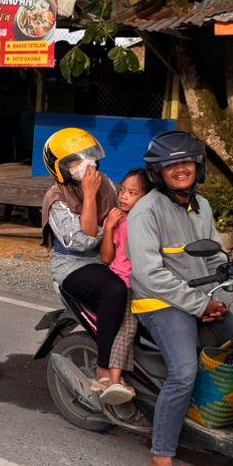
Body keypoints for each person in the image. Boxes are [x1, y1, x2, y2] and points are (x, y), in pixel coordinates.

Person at [127, 131, 233, 466]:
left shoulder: (202, 207)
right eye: (172, 164)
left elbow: (215, 259)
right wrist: (198, 304)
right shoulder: (146, 211)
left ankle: (213, 419)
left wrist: (218, 296)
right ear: (159, 172)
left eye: (187, 162)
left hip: (199, 298)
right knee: (184, 371)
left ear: (198, 167)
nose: (181, 169)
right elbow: (149, 273)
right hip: (159, 303)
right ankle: (160, 458)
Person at [40, 128, 133, 405]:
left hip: (108, 257)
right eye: (74, 162)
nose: (86, 165)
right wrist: (90, 196)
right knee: (114, 289)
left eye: (89, 157)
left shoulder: (106, 184)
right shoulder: (56, 198)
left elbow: (124, 214)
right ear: (59, 168)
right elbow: (83, 240)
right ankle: (104, 369)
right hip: (72, 264)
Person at [97, 168, 151, 394]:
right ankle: (114, 380)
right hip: (126, 284)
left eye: (132, 192)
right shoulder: (120, 220)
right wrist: (109, 226)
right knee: (128, 328)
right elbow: (107, 257)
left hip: (144, 283)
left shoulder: (146, 221)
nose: (124, 196)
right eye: (123, 191)